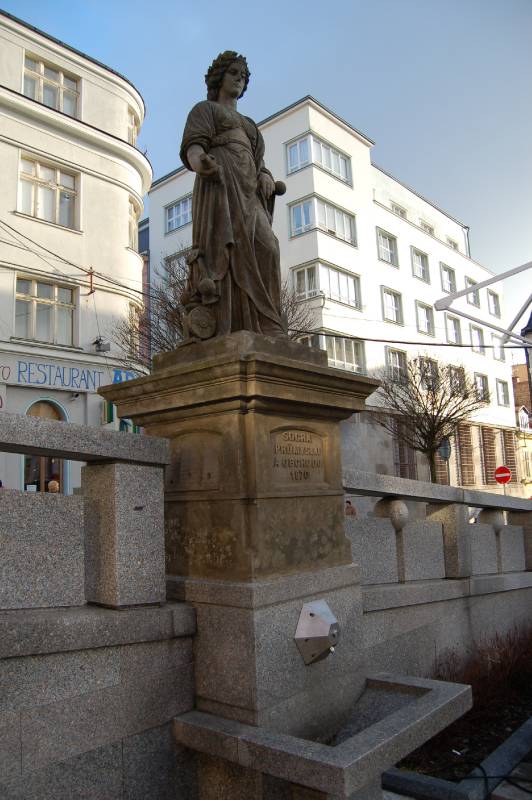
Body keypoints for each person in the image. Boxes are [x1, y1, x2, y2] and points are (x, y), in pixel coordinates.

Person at [179, 51, 285, 339]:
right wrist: (201, 162)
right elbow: (193, 147)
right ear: (220, 77)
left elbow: (259, 163)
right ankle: (230, 322)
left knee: (269, 247)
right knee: (226, 250)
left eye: (244, 76)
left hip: (249, 193)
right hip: (221, 187)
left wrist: (265, 176)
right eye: (234, 73)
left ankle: (267, 321)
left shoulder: (249, 125)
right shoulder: (205, 110)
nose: (240, 79)